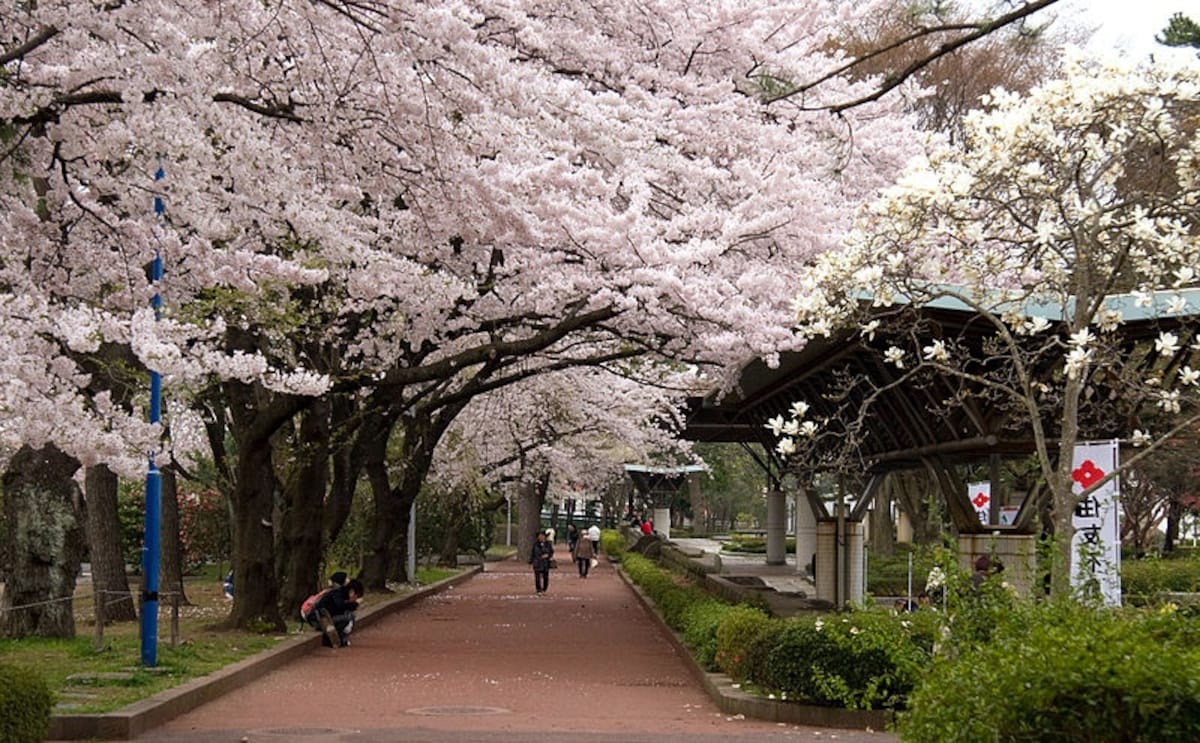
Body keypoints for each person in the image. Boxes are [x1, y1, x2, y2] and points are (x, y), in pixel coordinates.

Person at [306, 578, 364, 648]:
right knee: (347, 618)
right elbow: (340, 605)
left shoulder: (342, 595)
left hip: (329, 618)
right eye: (356, 596)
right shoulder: (337, 593)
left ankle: (341, 638)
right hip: (319, 619)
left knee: (351, 615)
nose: (355, 598)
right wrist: (354, 604)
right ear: (352, 592)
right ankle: (330, 639)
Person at [529, 530, 554, 595]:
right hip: (537, 562)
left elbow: (551, 552)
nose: (541, 537)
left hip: (545, 563)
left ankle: (544, 589)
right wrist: (530, 561)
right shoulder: (535, 544)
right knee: (537, 577)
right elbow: (533, 553)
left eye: (542, 536)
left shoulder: (548, 544)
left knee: (545, 577)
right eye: (539, 536)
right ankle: (538, 589)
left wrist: (548, 555)